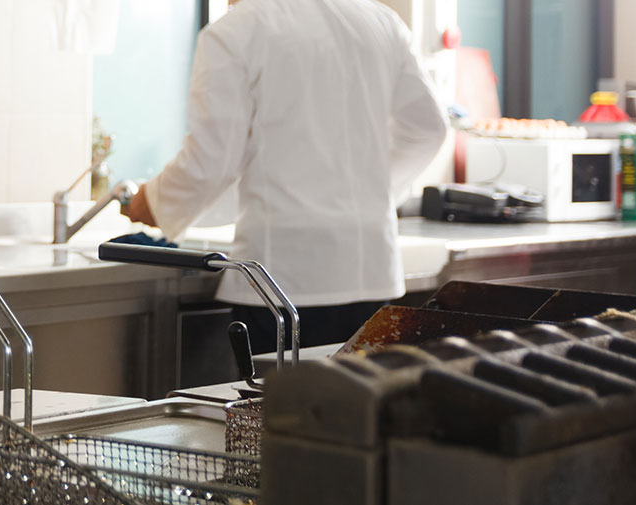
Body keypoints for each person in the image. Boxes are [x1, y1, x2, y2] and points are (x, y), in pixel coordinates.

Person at [122, 0, 450, 354]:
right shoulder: (380, 21)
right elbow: (428, 129)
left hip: (281, 277)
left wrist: (154, 202)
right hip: (368, 269)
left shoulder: (236, 31)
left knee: (277, 408)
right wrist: (371, 195)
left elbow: (213, 158)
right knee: (356, 403)